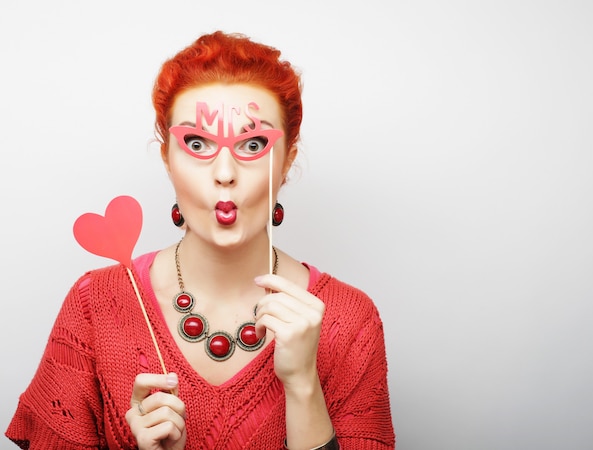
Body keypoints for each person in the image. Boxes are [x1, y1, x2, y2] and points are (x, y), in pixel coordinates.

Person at [6, 31, 395, 449]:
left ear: (287, 164)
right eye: (196, 143)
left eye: (252, 144)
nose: (224, 173)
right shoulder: (94, 305)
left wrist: (302, 386)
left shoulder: (350, 322)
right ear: (167, 161)